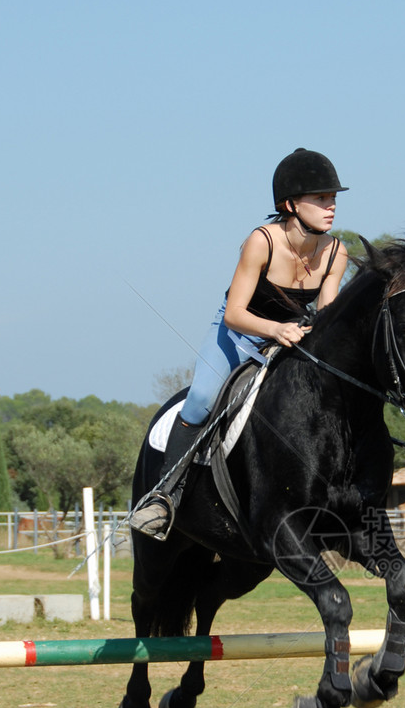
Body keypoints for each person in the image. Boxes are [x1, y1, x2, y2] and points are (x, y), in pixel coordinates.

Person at [130, 148, 350, 539]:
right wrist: (276, 330)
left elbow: (328, 317)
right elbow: (235, 313)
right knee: (200, 398)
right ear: (290, 205)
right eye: (320, 198)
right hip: (239, 330)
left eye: (332, 198)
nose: (330, 206)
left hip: (292, 337)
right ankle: (163, 497)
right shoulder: (261, 242)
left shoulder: (336, 252)